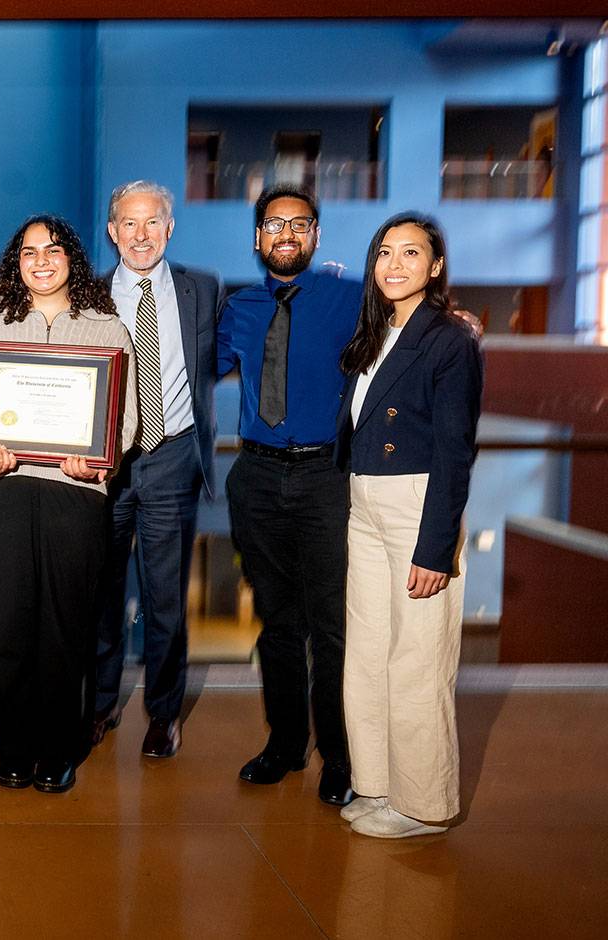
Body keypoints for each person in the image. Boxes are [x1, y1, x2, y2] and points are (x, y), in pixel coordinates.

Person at [0, 216, 137, 794]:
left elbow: (126, 417)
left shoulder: (106, 327)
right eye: (29, 252)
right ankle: (15, 747)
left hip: (75, 497)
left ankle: (59, 749)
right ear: (16, 264)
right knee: (9, 628)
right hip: (3, 494)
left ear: (72, 258)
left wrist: (99, 461)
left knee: (65, 630)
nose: (42, 261)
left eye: (53, 250)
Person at [334, 214, 482, 838]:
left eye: (411, 253)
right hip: (364, 500)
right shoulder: (375, 332)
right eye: (385, 253)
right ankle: (378, 784)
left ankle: (423, 804)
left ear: (436, 266)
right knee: (367, 653)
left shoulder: (449, 339)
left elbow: (455, 449)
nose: (395, 264)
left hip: (418, 503)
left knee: (418, 657)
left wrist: (436, 544)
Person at [217, 185, 361, 805]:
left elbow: (410, 324)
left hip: (324, 477)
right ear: (257, 238)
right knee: (277, 623)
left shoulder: (353, 296)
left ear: (316, 236)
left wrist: (454, 316)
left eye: (299, 225)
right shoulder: (238, 307)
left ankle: (338, 754)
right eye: (274, 224)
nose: (286, 234)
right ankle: (284, 744)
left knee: (330, 628)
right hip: (256, 477)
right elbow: (178, 363)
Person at [91, 181, 225, 759]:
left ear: (169, 229)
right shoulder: (87, 294)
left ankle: (164, 715)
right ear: (112, 231)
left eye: (152, 223)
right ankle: (97, 707)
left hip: (173, 455)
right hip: (104, 465)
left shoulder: (204, 288)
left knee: (164, 600)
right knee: (100, 598)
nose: (140, 235)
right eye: (128, 223)